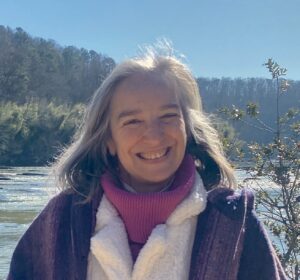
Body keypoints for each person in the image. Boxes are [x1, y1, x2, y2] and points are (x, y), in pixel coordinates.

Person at [8, 46, 287, 280]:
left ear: (187, 128)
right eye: (132, 121)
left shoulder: (234, 224)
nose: (153, 136)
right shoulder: (62, 221)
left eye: (168, 116)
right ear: (109, 140)